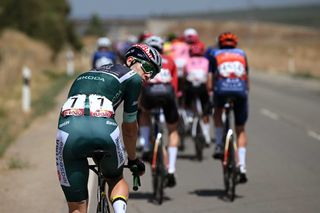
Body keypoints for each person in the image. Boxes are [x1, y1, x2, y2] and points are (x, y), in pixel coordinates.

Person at [56, 43, 162, 213]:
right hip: (103, 129)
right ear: (130, 60)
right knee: (115, 178)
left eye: (155, 73)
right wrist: (133, 160)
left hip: (68, 133)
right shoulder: (133, 78)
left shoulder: (82, 76)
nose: (149, 75)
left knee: (77, 208)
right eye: (148, 68)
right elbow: (129, 127)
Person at [207, 32, 249, 183]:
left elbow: (210, 77)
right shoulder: (242, 54)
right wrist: (245, 92)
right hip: (240, 91)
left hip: (222, 91)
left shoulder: (215, 54)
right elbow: (246, 77)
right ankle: (242, 165)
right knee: (241, 129)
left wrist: (210, 93)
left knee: (217, 112)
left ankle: (218, 144)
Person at [139, 35, 180, 187]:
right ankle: (171, 169)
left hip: (150, 93)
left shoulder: (145, 60)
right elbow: (175, 86)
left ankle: (146, 146)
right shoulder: (171, 61)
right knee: (173, 131)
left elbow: (141, 83)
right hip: (168, 94)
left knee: (144, 112)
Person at [184, 42, 212, 147]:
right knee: (206, 112)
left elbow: (185, 75)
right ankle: (207, 136)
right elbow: (209, 76)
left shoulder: (188, 61)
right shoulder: (206, 61)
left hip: (191, 88)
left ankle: (190, 119)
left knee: (187, 102)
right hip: (202, 88)